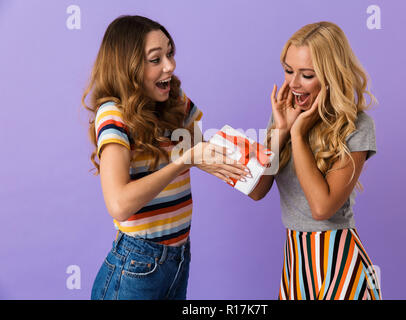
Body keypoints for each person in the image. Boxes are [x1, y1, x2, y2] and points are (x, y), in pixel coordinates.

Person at [82, 15, 249, 300]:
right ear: (128, 67)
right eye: (155, 59)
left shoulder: (173, 98)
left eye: (169, 54)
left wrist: (274, 142)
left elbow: (202, 152)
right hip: (136, 265)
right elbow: (119, 204)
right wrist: (184, 161)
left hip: (179, 257)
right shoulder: (113, 114)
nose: (170, 66)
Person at [249, 21, 382, 300]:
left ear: (330, 75)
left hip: (338, 260)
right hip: (296, 261)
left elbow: (322, 208)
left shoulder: (356, 125)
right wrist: (283, 129)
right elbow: (257, 189)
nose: (294, 84)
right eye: (288, 71)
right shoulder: (283, 116)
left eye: (306, 74)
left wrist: (297, 133)